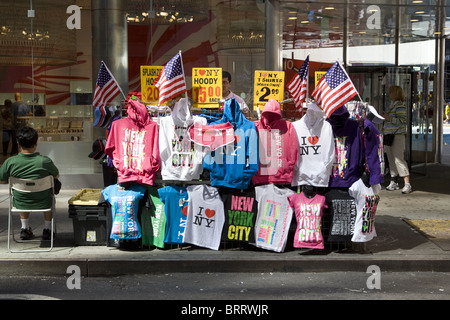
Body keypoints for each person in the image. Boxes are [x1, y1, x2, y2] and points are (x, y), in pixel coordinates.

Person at [0, 126, 59, 240]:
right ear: (36, 143)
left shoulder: (10, 162)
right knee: (49, 196)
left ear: (18, 143)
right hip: (44, 202)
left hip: (20, 202)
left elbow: (2, 180)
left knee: (22, 196)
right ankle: (47, 229)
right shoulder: (44, 161)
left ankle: (24, 228)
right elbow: (56, 176)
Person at [382, 85, 412, 194]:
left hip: (397, 135)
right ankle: (393, 181)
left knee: (399, 159)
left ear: (395, 93)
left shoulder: (400, 105)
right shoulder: (392, 105)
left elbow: (402, 120)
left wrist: (388, 118)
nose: (389, 95)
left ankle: (407, 183)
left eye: (390, 92)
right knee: (391, 159)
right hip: (390, 135)